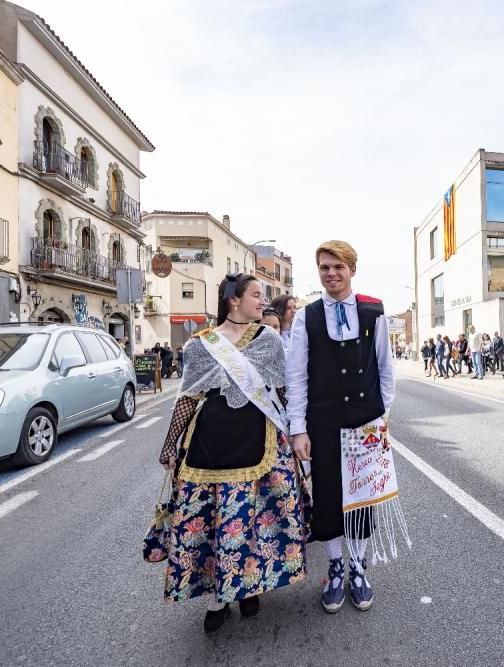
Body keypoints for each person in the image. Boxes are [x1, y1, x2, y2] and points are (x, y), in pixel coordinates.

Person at [157, 273, 307, 633]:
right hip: (210, 444)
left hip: (261, 441)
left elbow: (285, 392)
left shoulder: (269, 340)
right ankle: (218, 596)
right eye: (256, 295)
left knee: (253, 517)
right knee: (215, 521)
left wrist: (300, 431)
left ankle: (247, 587)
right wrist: (169, 443)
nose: (262, 301)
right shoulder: (199, 345)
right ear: (233, 300)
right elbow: (188, 398)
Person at [287, 240, 397, 613]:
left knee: (362, 497)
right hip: (323, 421)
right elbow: (297, 376)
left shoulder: (372, 311)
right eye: (324, 267)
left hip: (365, 421)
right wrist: (298, 428)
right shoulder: (307, 316)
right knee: (330, 495)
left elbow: (385, 368)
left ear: (352, 269)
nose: (331, 273)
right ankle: (335, 566)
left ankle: (358, 566)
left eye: (338, 267)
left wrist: (382, 416)